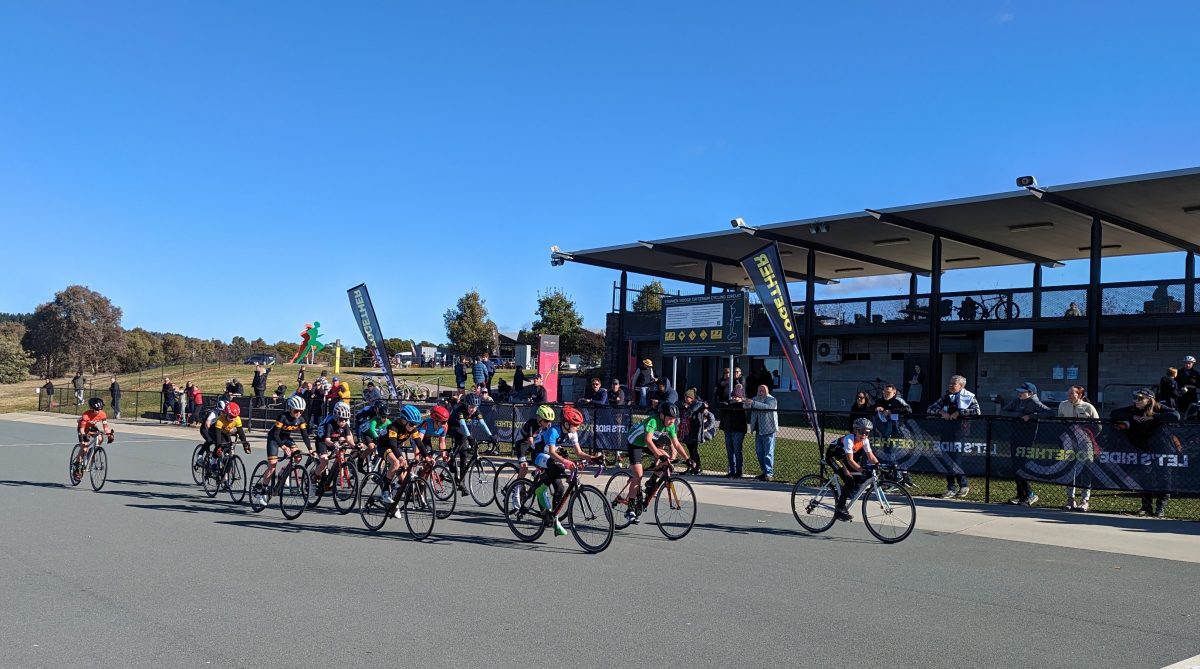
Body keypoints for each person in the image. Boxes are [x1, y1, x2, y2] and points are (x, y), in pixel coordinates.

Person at [530, 405, 602, 536]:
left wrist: (592, 458)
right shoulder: (554, 431)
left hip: (550, 455)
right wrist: (565, 461)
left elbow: (579, 452)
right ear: (567, 423)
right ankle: (541, 490)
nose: (578, 427)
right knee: (558, 466)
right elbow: (552, 452)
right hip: (539, 453)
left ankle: (553, 517)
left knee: (560, 489)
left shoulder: (572, 432)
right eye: (576, 424)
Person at [1112, 388, 1180, 517]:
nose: (1136, 401)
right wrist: (1133, 417)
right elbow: (1114, 413)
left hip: (1163, 448)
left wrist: (1152, 417)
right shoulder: (1133, 409)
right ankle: (1146, 507)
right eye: (1135, 398)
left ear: (1149, 399)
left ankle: (1160, 509)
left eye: (1139, 398)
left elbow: (1176, 415)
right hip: (1144, 448)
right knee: (1145, 476)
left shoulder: (1159, 407)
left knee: (1164, 478)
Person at [618, 403, 684, 523]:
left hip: (648, 443)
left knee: (667, 459)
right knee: (638, 475)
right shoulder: (653, 421)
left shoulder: (670, 425)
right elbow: (648, 441)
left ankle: (651, 482)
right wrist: (659, 455)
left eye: (674, 419)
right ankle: (630, 510)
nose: (671, 421)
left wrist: (688, 459)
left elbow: (677, 444)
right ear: (662, 416)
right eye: (669, 418)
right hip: (635, 443)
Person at [252, 395, 312, 507]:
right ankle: (263, 490)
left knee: (298, 456)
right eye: (296, 411)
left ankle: (284, 472)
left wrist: (310, 449)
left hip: (285, 438)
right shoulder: (282, 417)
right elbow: (275, 434)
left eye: (301, 411)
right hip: (274, 439)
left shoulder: (301, 420)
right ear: (290, 408)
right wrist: (284, 447)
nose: (298, 414)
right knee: (272, 466)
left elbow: (305, 436)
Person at [1001, 382, 1055, 506]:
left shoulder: (1034, 402)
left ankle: (1030, 494)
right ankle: (1021, 495)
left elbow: (1050, 412)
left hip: (1027, 439)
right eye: (1019, 391)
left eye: (1022, 392)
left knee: (1022, 466)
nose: (1019, 394)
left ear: (1030, 393)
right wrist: (1019, 415)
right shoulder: (1016, 401)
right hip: (1015, 436)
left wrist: (1031, 416)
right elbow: (1004, 412)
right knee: (1016, 467)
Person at [927, 374, 980, 498]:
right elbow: (930, 409)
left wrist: (959, 412)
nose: (950, 385)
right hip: (945, 432)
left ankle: (963, 485)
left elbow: (977, 411)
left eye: (953, 384)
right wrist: (941, 412)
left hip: (960, 433)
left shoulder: (969, 397)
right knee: (946, 459)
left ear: (961, 386)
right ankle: (951, 487)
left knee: (956, 460)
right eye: (950, 383)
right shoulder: (945, 396)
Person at [825, 417, 879, 522]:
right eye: (861, 431)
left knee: (860, 478)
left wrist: (878, 465)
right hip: (833, 456)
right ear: (855, 430)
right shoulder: (849, 439)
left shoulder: (865, 440)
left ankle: (845, 494)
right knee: (849, 480)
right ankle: (839, 509)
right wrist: (862, 470)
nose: (864, 435)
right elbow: (850, 461)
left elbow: (871, 456)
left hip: (843, 457)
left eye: (867, 432)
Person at [1058, 385, 1100, 511]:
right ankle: (1070, 499)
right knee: (1070, 469)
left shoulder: (1088, 407)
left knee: (1086, 468)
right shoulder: (1063, 405)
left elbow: (1098, 426)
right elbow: (1060, 421)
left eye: (1072, 393)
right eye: (1068, 392)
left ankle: (1084, 500)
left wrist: (1087, 434)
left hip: (1085, 442)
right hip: (1069, 441)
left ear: (1080, 395)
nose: (1069, 395)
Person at [509, 404, 559, 510]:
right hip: (522, 444)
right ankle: (516, 491)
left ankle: (535, 480)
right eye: (546, 421)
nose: (548, 423)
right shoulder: (532, 423)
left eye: (550, 421)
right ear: (539, 418)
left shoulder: (548, 426)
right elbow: (531, 441)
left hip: (534, 445)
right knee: (524, 467)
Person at [447, 392, 497, 487]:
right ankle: (451, 459)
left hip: (462, 429)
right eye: (470, 407)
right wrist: (469, 438)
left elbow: (483, 424)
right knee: (463, 437)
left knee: (464, 455)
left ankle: (461, 482)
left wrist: (491, 436)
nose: (472, 410)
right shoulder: (460, 410)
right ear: (466, 405)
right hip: (453, 426)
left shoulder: (475, 410)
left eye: (475, 407)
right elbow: (462, 425)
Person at [310, 402, 355, 496]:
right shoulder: (330, 424)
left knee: (342, 453)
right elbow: (326, 440)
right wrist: (334, 444)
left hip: (334, 441)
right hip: (323, 441)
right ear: (336, 417)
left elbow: (349, 438)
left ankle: (333, 477)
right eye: (341, 419)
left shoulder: (345, 425)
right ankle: (313, 481)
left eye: (346, 419)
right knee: (324, 461)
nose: (343, 422)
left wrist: (355, 446)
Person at [744, 382, 778, 481]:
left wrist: (753, 403)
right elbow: (747, 407)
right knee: (759, 452)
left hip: (769, 430)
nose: (760, 392)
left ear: (767, 391)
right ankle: (764, 472)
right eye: (759, 390)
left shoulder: (772, 400)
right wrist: (744, 401)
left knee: (768, 453)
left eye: (763, 390)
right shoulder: (755, 399)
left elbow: (767, 407)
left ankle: (769, 473)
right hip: (759, 430)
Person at [74, 397, 115, 474]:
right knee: (84, 447)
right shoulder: (86, 415)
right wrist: (84, 436)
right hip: (83, 428)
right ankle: (77, 466)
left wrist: (109, 435)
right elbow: (82, 429)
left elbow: (105, 427)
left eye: (99, 409)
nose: (98, 411)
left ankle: (92, 452)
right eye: (96, 409)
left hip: (91, 427)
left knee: (100, 438)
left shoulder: (102, 414)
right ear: (91, 408)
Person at [208, 402, 251, 473]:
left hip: (225, 431)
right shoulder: (220, 420)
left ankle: (225, 468)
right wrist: (219, 447)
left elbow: (241, 433)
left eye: (235, 417)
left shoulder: (237, 419)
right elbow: (218, 437)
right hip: (215, 431)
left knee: (229, 448)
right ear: (225, 414)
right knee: (220, 445)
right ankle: (213, 461)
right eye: (231, 417)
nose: (233, 419)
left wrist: (245, 445)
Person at [722, 383, 748, 477]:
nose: (734, 398)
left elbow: (743, 406)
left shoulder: (742, 405)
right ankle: (731, 470)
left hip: (738, 430)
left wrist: (740, 401)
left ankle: (739, 470)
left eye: (736, 396)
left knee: (737, 450)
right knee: (730, 451)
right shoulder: (729, 404)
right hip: (728, 429)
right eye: (733, 396)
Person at [680, 389, 708, 475]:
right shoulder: (685, 404)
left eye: (687, 397)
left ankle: (698, 467)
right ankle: (692, 466)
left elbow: (695, 408)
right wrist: (684, 406)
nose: (685, 399)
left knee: (694, 450)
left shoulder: (698, 403)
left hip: (695, 431)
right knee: (690, 449)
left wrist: (688, 409)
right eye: (685, 397)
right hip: (687, 430)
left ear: (692, 398)